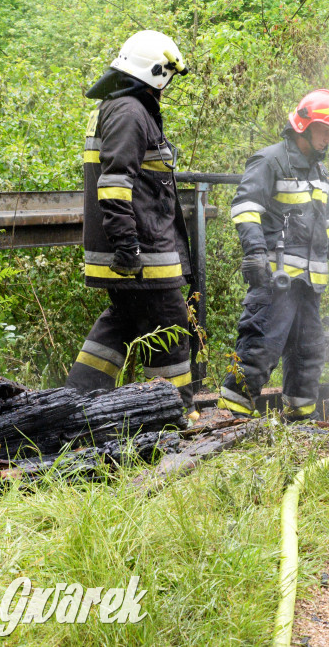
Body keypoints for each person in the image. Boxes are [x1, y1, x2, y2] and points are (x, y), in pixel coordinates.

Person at [66, 30, 196, 416]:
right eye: (167, 77)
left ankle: (75, 405)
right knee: (170, 329)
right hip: (141, 256)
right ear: (156, 72)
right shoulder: (129, 111)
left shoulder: (121, 107)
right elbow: (115, 184)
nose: (167, 85)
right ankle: (171, 418)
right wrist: (129, 247)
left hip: (135, 253)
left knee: (121, 324)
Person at [217, 89, 329, 421]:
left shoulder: (321, 176)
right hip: (275, 280)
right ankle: (232, 419)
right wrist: (254, 253)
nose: (328, 139)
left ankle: (298, 420)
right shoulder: (269, 161)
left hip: (309, 283)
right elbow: (245, 207)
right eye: (325, 131)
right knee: (261, 345)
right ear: (304, 125)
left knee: (309, 353)